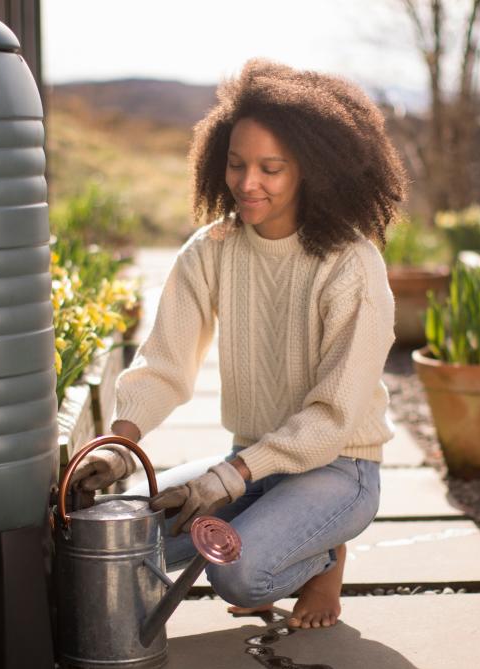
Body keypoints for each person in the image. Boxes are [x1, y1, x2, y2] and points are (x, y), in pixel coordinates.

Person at [68, 59, 407, 630]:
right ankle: (281, 531)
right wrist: (118, 446)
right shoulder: (211, 249)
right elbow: (163, 364)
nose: (248, 183)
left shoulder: (351, 265)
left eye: (271, 168)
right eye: (236, 164)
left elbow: (330, 418)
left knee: (238, 573)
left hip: (339, 469)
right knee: (125, 541)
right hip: (249, 459)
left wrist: (227, 480)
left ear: (311, 170)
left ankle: (322, 560)